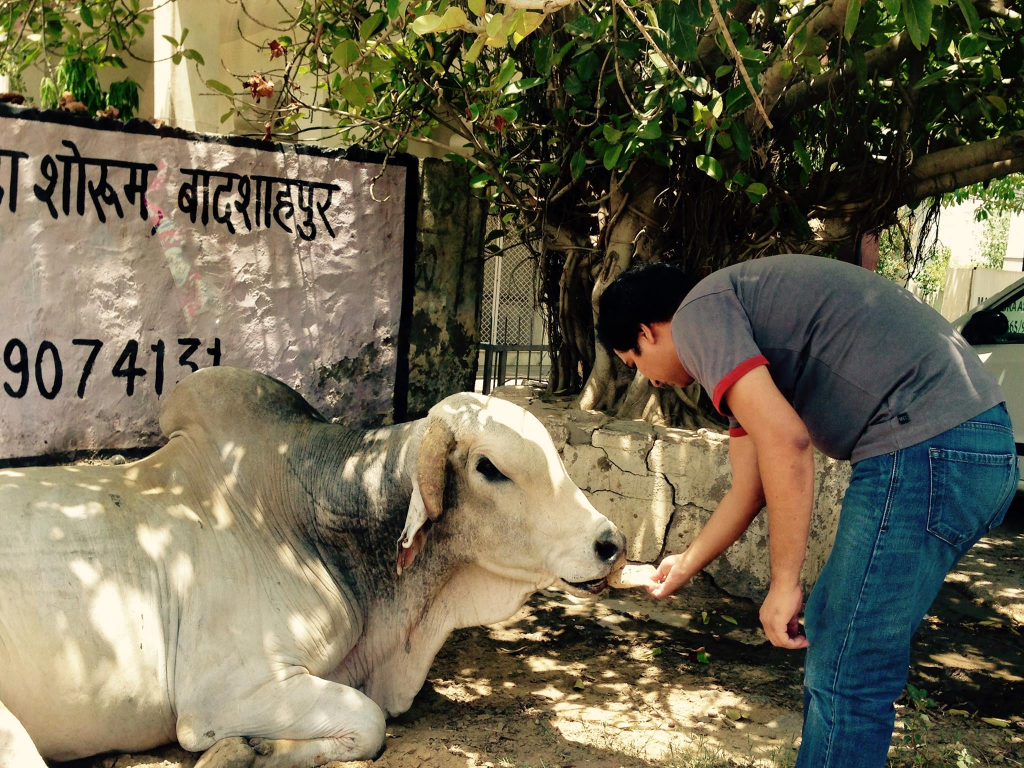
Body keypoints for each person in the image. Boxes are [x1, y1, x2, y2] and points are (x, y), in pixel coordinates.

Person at [595, 254, 1018, 768]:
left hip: (927, 448)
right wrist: (686, 563)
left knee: (849, 668)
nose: (647, 379)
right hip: (965, 447)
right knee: (835, 635)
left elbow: (789, 441)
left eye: (633, 360)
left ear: (648, 331)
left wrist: (783, 581)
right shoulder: (734, 334)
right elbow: (748, 489)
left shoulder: (698, 314)